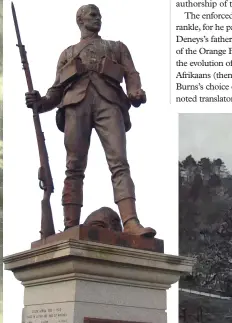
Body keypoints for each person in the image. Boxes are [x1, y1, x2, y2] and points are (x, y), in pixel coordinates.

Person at [25, 4, 155, 237]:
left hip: (110, 102)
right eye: (93, 15)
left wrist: (135, 91)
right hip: (76, 105)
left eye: (99, 15)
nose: (98, 19)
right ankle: (70, 226)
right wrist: (40, 102)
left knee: (119, 162)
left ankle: (131, 222)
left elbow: (132, 74)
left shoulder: (116, 47)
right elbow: (56, 91)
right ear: (80, 20)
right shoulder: (67, 54)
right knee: (73, 167)